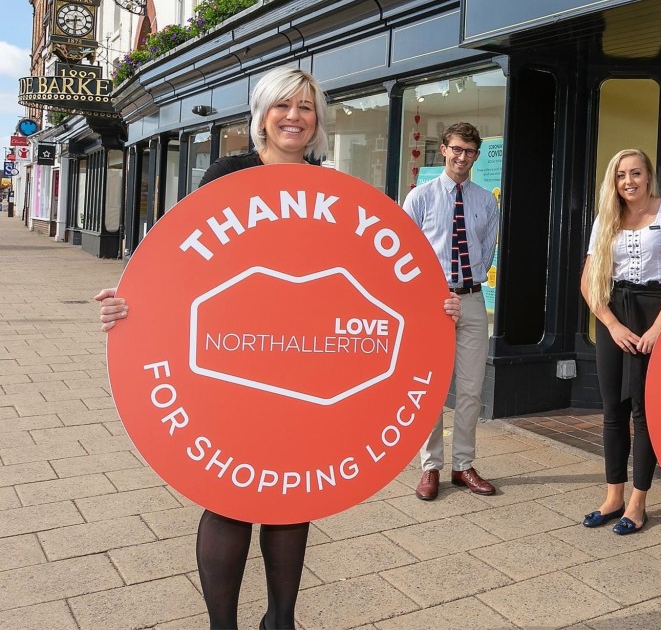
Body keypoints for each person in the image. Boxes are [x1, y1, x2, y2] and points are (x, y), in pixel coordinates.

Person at [96, 67, 460, 630]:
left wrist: (434, 310)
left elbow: (382, 273)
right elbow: (183, 261)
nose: (294, 116)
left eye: (307, 107)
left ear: (318, 121)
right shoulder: (228, 174)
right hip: (232, 366)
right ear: (262, 113)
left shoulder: (331, 185)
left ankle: (281, 621)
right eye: (283, 105)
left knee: (294, 497)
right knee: (229, 498)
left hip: (306, 364)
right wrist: (129, 304)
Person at [580, 149, 661, 534]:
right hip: (616, 314)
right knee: (613, 409)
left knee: (644, 412)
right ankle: (613, 496)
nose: (628, 181)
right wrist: (611, 325)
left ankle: (638, 502)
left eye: (635, 173)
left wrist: (660, 325)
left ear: (648, 177)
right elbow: (588, 282)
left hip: (656, 313)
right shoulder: (606, 217)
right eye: (620, 175)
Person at [403, 121, 500, 501]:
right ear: (443, 149)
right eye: (457, 149)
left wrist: (467, 286)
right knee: (432, 388)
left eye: (470, 152)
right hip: (433, 302)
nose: (463, 157)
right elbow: (406, 256)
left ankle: (463, 465)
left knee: (471, 390)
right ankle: (430, 467)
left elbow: (486, 250)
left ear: (476, 155)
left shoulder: (486, 201)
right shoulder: (421, 198)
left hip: (472, 299)